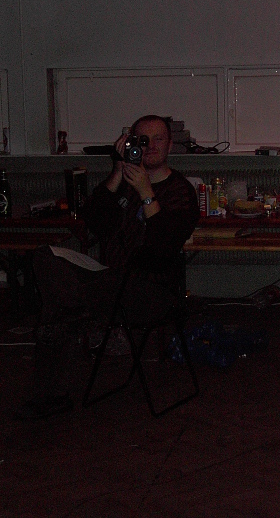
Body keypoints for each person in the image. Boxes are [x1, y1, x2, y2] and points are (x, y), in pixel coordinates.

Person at [16, 114, 200, 420]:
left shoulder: (180, 191)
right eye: (142, 140)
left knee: (60, 308)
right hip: (110, 279)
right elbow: (94, 222)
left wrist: (146, 192)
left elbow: (161, 250)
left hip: (150, 288)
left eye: (158, 139)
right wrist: (118, 170)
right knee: (46, 256)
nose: (150, 146)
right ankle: (74, 314)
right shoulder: (123, 183)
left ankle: (52, 390)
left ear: (170, 145)